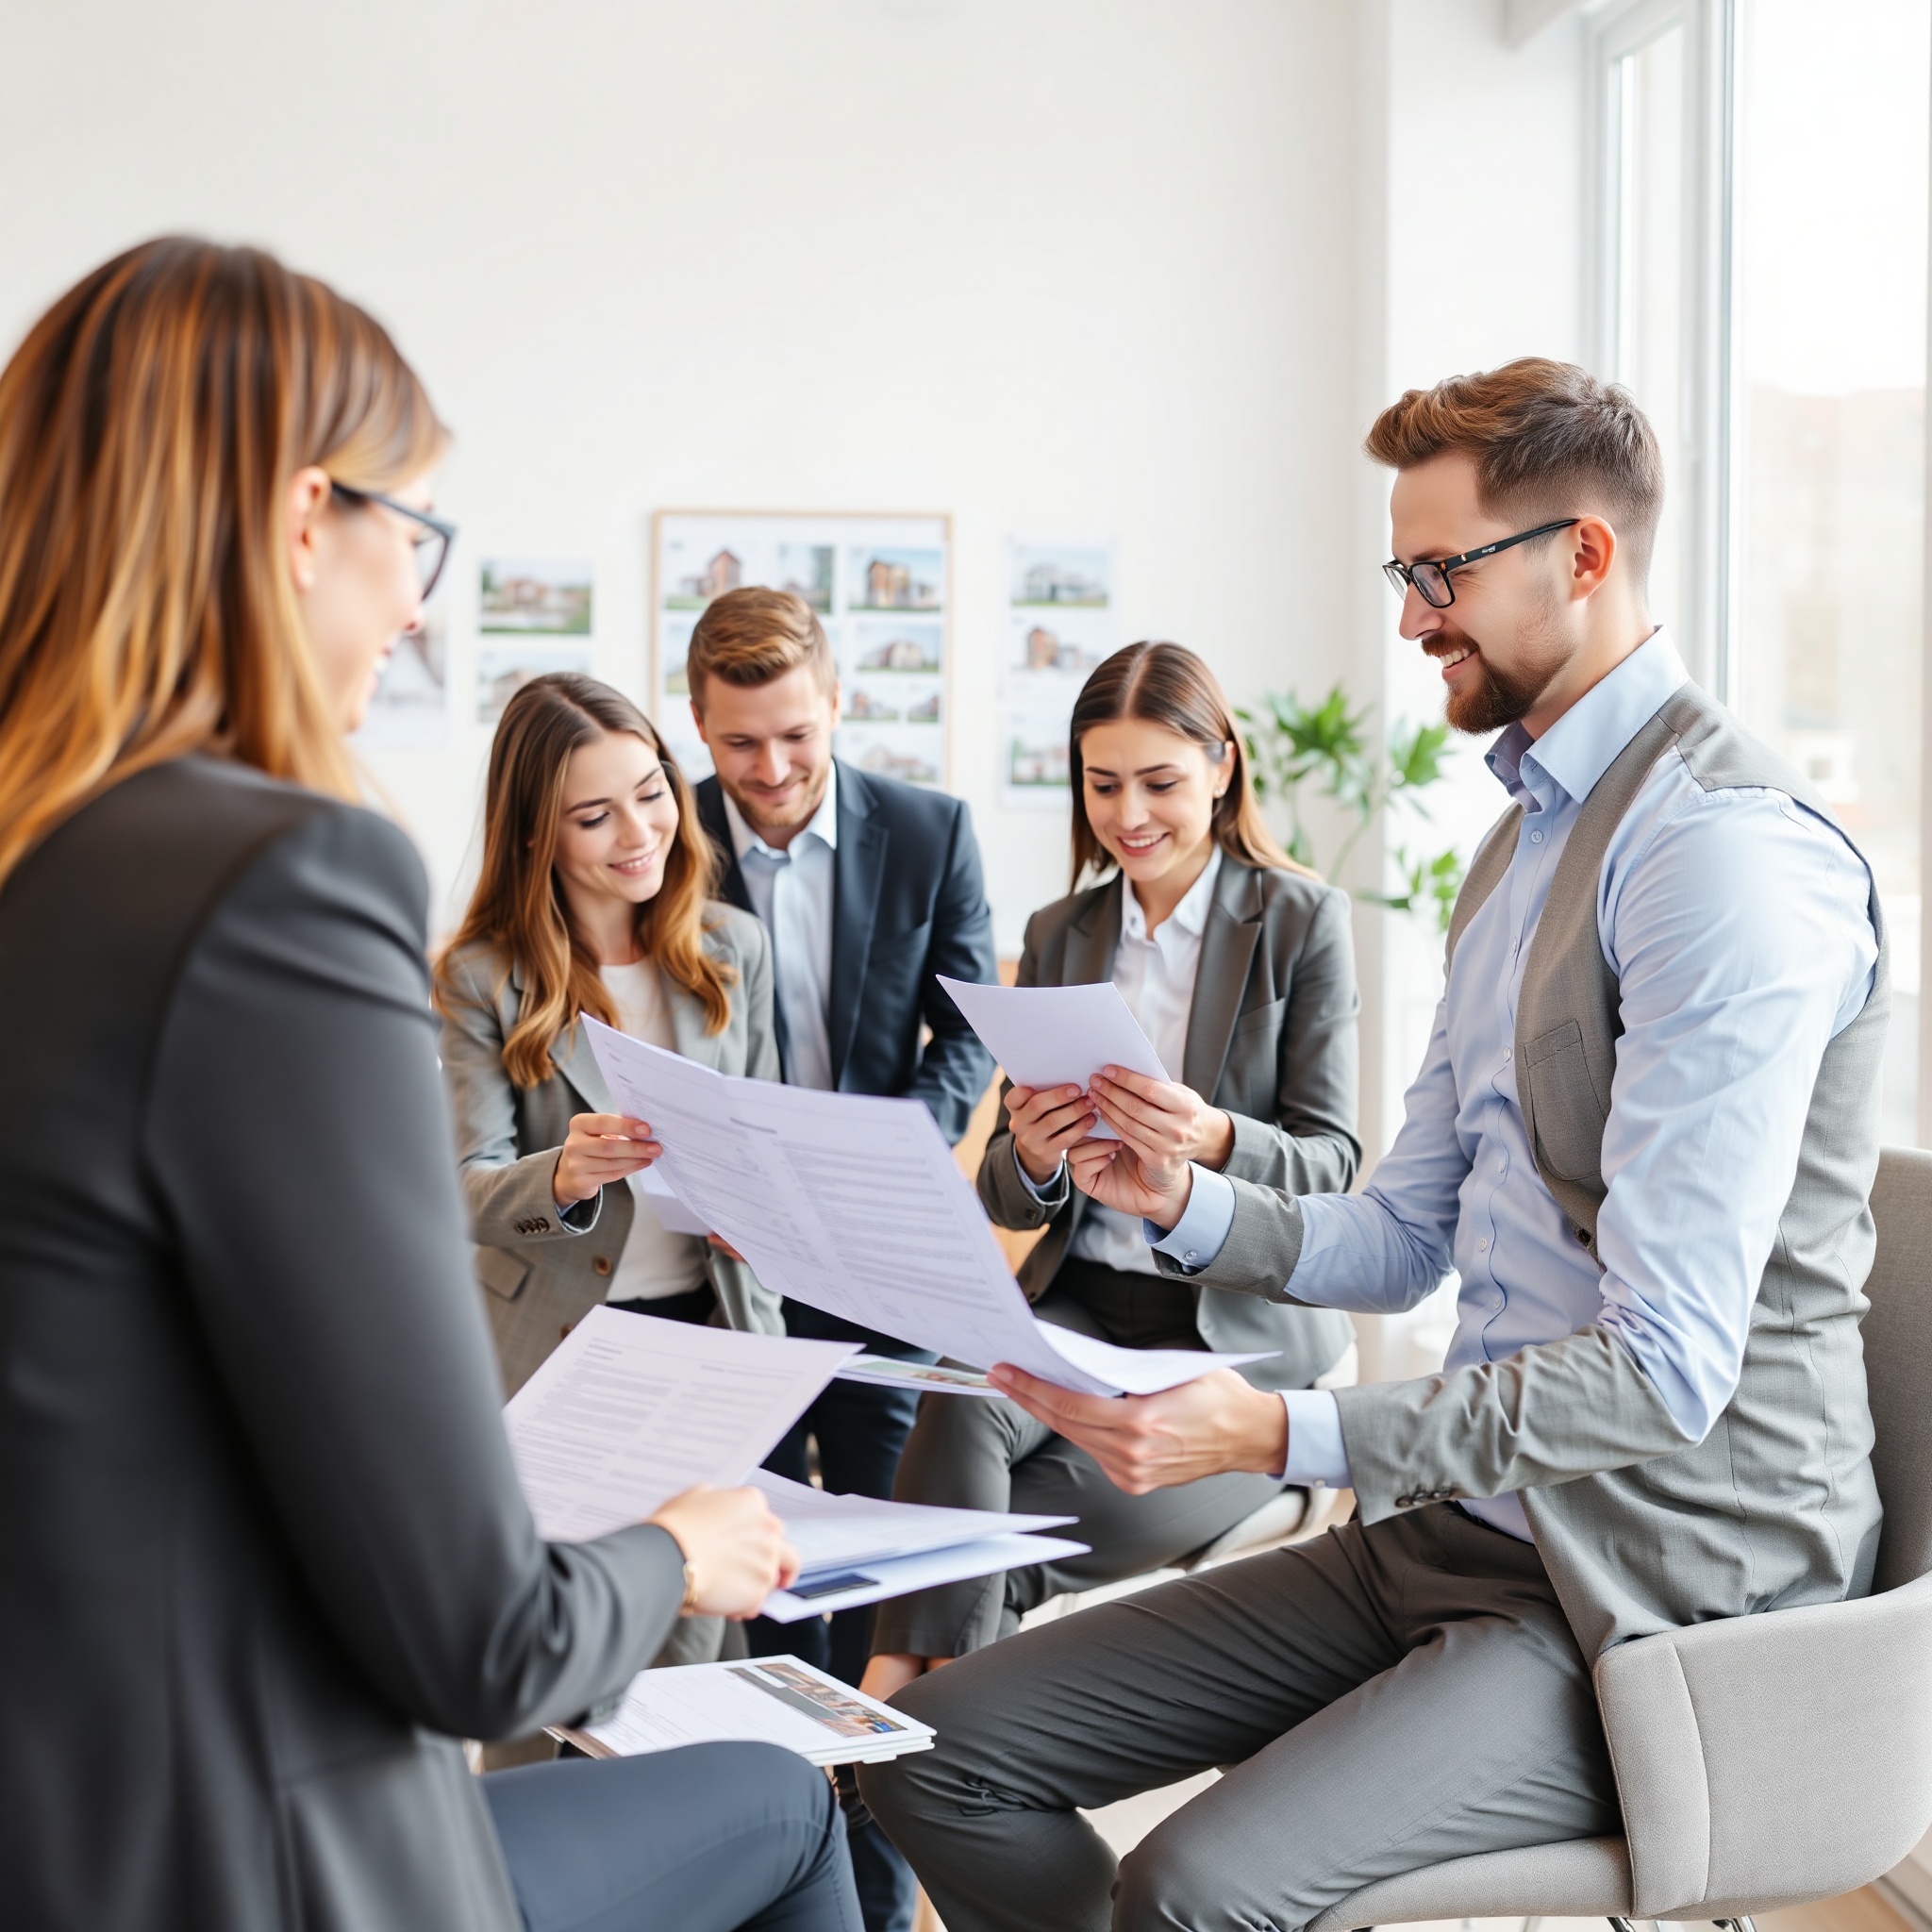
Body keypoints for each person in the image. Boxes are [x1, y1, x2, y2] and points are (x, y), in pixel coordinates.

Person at [860, 358, 1887, 1932]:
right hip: (1452, 1529)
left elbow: (1667, 1364)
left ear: (1582, 556)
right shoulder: (1518, 844)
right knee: (933, 1753)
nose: (1410, 615)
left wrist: (1275, 1436)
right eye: (1403, 574)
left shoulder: (1717, 860)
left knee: (1191, 1887)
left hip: (1646, 1581)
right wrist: (1184, 1197)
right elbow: (1399, 1223)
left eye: (1439, 571)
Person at [0, 237, 859, 1932]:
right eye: (415, 538)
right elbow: (476, 1636)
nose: (415, 602)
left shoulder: (46, 862)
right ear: (300, 514)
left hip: (62, 1808)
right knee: (782, 1798)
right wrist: (682, 1550)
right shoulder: (276, 877)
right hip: (248, 1849)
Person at [861, 641, 1359, 1703]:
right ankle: (909, 1734)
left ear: (1222, 767)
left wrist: (1210, 1137)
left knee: (992, 1551)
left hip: (1229, 1336)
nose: (1127, 813)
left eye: (1159, 781)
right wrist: (1034, 1152)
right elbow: (1004, 1182)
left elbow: (1334, 1164)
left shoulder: (1300, 923)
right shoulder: (1060, 931)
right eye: (1102, 784)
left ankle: (892, 1706)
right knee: (960, 1393)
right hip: (1083, 1305)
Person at [686, 584, 998, 1932]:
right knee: (761, 1578)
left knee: (880, 1581)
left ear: (836, 705)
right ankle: (782, 1878)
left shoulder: (931, 833)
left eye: (796, 740)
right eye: (742, 745)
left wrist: (889, 1157)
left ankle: (881, 1898)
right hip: (727, 1263)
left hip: (879, 1247)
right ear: (698, 726)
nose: (770, 773)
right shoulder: (661, 841)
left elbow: (969, 1032)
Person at [436, 671, 783, 1680]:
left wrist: (757, 1208)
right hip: (556, 1352)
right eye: (594, 814)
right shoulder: (479, 977)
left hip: (708, 1336)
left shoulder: (731, 949)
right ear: (536, 833)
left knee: (690, 1654)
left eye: (652, 791)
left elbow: (758, 1130)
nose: (639, 831)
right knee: (547, 1658)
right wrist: (567, 1174)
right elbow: (460, 1187)